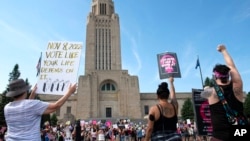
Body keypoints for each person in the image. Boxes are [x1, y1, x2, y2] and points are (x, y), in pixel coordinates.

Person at [201, 44, 248, 141]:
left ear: (215, 77)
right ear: (228, 75)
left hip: (220, 136)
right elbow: (232, 67)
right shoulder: (238, 85)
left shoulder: (211, 92)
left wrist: (206, 88)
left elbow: (203, 94)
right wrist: (223, 50)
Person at [4, 78, 77, 141]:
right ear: (25, 91)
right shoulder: (32, 105)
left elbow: (25, 110)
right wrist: (69, 92)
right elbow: (56, 106)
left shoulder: (7, 107)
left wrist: (32, 95)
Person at [145, 77, 181, 141]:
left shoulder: (154, 109)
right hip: (175, 138)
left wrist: (146, 139)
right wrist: (171, 83)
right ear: (168, 95)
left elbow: (150, 128)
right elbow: (173, 97)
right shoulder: (174, 106)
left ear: (157, 96)